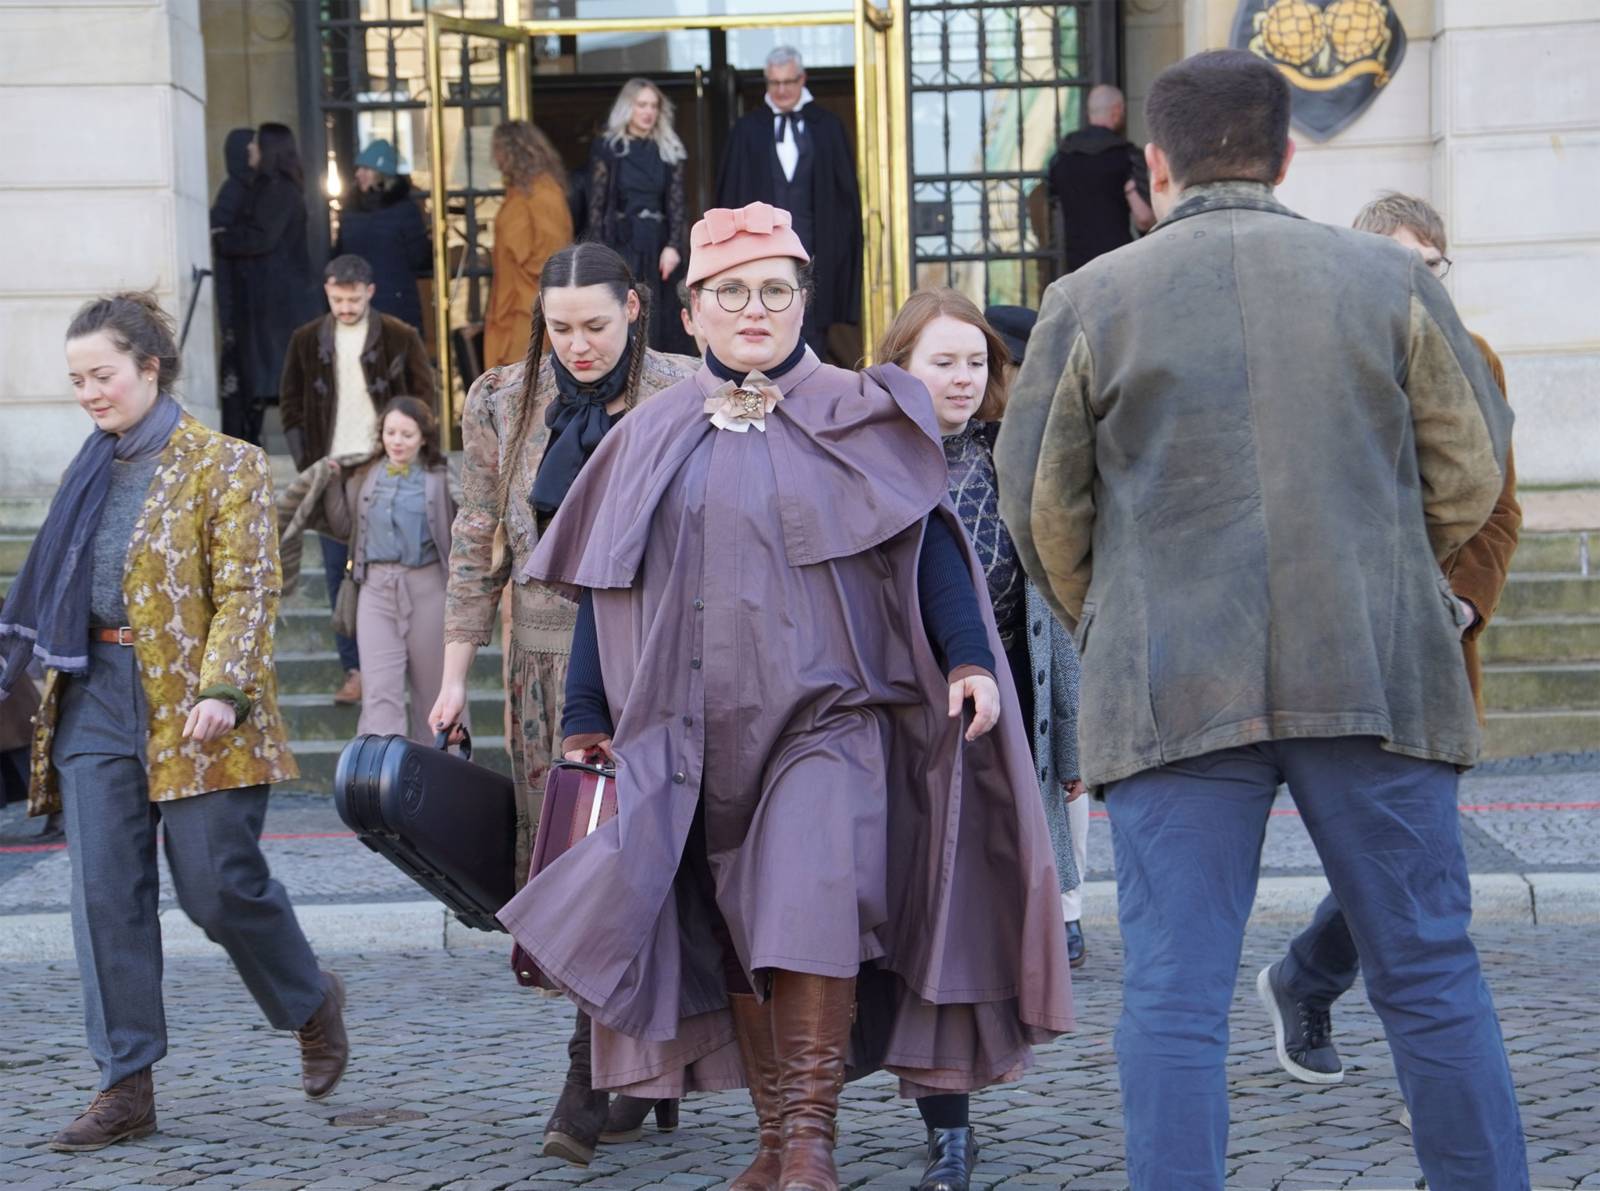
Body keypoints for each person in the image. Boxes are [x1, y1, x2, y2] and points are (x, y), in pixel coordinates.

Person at [997, 49, 1525, 1191]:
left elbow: (1043, 511)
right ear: (1287, 152)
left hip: (1174, 673)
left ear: (1155, 164)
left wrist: (1118, 613)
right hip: (1374, 665)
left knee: (1175, 997)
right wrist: (1382, 570)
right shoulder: (1387, 283)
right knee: (1429, 978)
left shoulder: (1088, 298)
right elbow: (1469, 473)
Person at [499, 202, 1074, 1191]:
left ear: (806, 299)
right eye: (731, 292)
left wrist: (971, 659)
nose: (753, 310)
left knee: (807, 899)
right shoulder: (646, 436)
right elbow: (606, 582)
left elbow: (931, 542)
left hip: (830, 716)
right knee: (732, 931)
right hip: (688, 738)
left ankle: (810, 1142)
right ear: (690, 310)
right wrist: (587, 718)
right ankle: (772, 1143)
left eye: (774, 290)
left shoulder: (863, 409)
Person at [0, 293, 349, 1153]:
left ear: (150, 366)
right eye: (77, 378)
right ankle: (126, 1083)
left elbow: (248, 588)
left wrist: (224, 686)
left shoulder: (223, 463)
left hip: (197, 700)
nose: (89, 392)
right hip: (93, 693)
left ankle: (308, 998)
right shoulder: (89, 467)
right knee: (104, 898)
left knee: (217, 887)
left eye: (103, 374)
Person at [427, 241, 696, 1166]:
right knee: (574, 866)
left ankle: (603, 1072)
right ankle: (605, 1064)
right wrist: (455, 671)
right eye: (560, 327)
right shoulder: (502, 398)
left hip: (661, 664)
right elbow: (475, 537)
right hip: (543, 673)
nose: (578, 345)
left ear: (634, 309)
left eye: (596, 325)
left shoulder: (686, 390)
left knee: (658, 861)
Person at [1257, 190, 1523, 1087]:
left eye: (1436, 265)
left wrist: (1456, 607)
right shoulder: (1318, 358)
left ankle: (1309, 978)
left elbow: (1498, 509)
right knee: (1404, 865)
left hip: (1438, 647)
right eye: (1409, 263)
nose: (1425, 281)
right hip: (1342, 643)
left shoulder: (1478, 357)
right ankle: (1338, 1003)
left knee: (1413, 860)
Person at [876, 288, 1086, 1191]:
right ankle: (799, 1116)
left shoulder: (1017, 461)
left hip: (992, 726)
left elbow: (1059, 609)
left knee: (961, 939)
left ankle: (950, 1132)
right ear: (899, 368)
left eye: (975, 362)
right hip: (885, 731)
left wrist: (1071, 747)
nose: (962, 379)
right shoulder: (865, 461)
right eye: (942, 361)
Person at [985, 302, 1092, 969]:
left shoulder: (1059, 428)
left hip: (1054, 618)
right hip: (1000, 621)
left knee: (1064, 763)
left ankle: (1069, 909)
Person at [280, 254, 435, 708]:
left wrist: (411, 456)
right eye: (336, 298)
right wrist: (310, 462)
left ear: (370, 291)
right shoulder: (306, 340)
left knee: (401, 564)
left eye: (352, 298)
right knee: (336, 570)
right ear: (327, 292)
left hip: (386, 465)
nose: (345, 306)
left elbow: (424, 398)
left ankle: (401, 663)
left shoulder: (399, 336)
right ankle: (355, 669)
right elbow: (290, 405)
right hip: (331, 469)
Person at [322, 397, 459, 743]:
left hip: (428, 585)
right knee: (380, 693)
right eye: (390, 432)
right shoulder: (363, 475)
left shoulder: (441, 478)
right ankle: (381, 783)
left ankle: (442, 779)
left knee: (433, 693)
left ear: (424, 438)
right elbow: (342, 528)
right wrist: (332, 485)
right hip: (376, 588)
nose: (397, 441)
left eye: (407, 434)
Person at [716, 47, 861, 357]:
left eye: (788, 82)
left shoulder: (828, 127)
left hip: (816, 250)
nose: (781, 90)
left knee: (814, 334)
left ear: (802, 79)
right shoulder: (747, 130)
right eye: (774, 83)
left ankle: (810, 402)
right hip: (763, 251)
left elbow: (845, 199)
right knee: (765, 325)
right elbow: (730, 196)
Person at [214, 122, 321, 445]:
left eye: (257, 144)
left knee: (278, 386)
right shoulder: (272, 188)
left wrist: (221, 239)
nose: (251, 149)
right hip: (270, 306)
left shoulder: (279, 191)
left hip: (277, 308)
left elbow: (262, 237)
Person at [587, 79, 690, 353]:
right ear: (627, 107)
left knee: (660, 317)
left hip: (658, 245)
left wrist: (674, 246)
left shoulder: (669, 150)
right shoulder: (608, 149)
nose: (648, 112)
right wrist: (599, 255)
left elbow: (677, 205)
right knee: (623, 311)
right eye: (641, 104)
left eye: (653, 106)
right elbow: (597, 206)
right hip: (621, 241)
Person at [484, 120, 574, 371]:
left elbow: (551, 256)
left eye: (498, 151)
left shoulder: (542, 193)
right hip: (514, 305)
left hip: (527, 308)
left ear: (513, 151)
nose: (495, 159)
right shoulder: (521, 191)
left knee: (524, 383)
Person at [1046, 84, 1154, 274]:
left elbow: (1052, 210)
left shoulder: (1061, 158)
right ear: (1118, 110)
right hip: (1118, 265)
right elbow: (1143, 218)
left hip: (1076, 269)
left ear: (1089, 113)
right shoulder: (1126, 156)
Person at [334, 138, 430, 335]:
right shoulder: (405, 209)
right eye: (359, 168)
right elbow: (420, 257)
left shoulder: (351, 210)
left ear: (381, 174)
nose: (358, 174)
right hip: (389, 302)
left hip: (372, 304)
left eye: (366, 169)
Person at [210, 128, 256, 429]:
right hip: (236, 294)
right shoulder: (235, 189)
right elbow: (219, 236)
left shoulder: (246, 187)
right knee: (238, 369)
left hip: (241, 292)